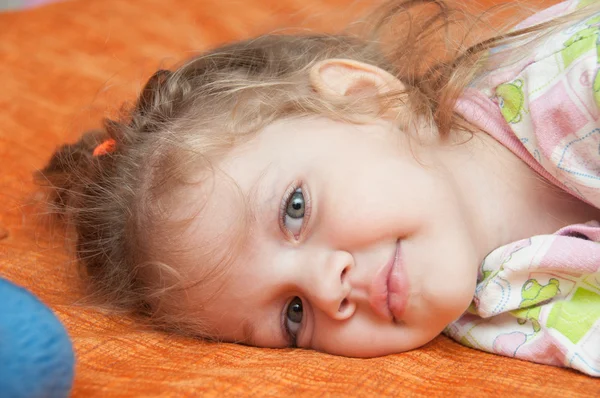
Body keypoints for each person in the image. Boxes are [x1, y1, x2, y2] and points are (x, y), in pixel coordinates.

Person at [38, 0, 600, 376]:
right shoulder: (491, 315)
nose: (329, 293)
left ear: (362, 98)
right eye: (293, 314)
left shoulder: (577, 79)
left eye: (295, 209)